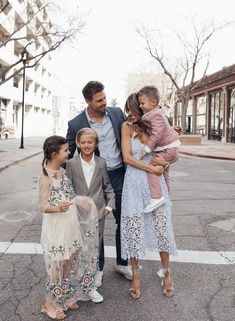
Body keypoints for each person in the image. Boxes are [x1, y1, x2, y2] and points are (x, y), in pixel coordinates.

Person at [66, 81, 132, 281]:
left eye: (104, 97)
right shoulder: (76, 123)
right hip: (93, 180)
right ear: (88, 101)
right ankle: (98, 268)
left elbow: (135, 130)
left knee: (124, 221)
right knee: (95, 225)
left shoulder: (116, 113)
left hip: (119, 175)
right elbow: (67, 154)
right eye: (99, 100)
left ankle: (122, 262)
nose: (104, 102)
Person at [39, 136, 103, 320]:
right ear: (54, 154)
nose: (69, 152)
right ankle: (49, 301)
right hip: (56, 226)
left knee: (68, 261)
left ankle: (64, 293)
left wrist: (80, 202)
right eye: (66, 150)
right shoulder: (46, 176)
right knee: (57, 264)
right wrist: (57, 208)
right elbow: (42, 205)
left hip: (70, 224)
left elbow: (69, 195)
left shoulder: (62, 171)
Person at [121, 93, 177, 300]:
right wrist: (150, 168)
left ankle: (167, 273)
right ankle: (136, 275)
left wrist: (164, 164)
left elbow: (169, 151)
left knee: (162, 227)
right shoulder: (126, 127)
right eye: (128, 110)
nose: (130, 114)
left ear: (142, 109)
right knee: (133, 227)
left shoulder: (155, 125)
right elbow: (127, 157)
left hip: (156, 184)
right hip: (134, 183)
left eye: (133, 109)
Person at [66, 128, 116, 288]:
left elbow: (107, 186)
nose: (86, 145)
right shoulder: (71, 164)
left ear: (95, 143)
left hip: (98, 212)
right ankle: (80, 274)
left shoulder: (101, 163)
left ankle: (97, 272)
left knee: (96, 245)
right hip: (78, 213)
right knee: (79, 245)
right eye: (83, 142)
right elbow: (67, 189)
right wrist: (72, 205)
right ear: (78, 145)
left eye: (90, 142)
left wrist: (109, 205)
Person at [138, 86, 181, 213]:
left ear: (153, 102)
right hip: (170, 147)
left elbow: (156, 134)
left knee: (153, 166)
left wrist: (146, 149)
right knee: (165, 175)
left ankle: (156, 197)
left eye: (142, 103)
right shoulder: (157, 112)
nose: (140, 106)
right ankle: (167, 197)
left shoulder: (155, 115)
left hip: (168, 148)